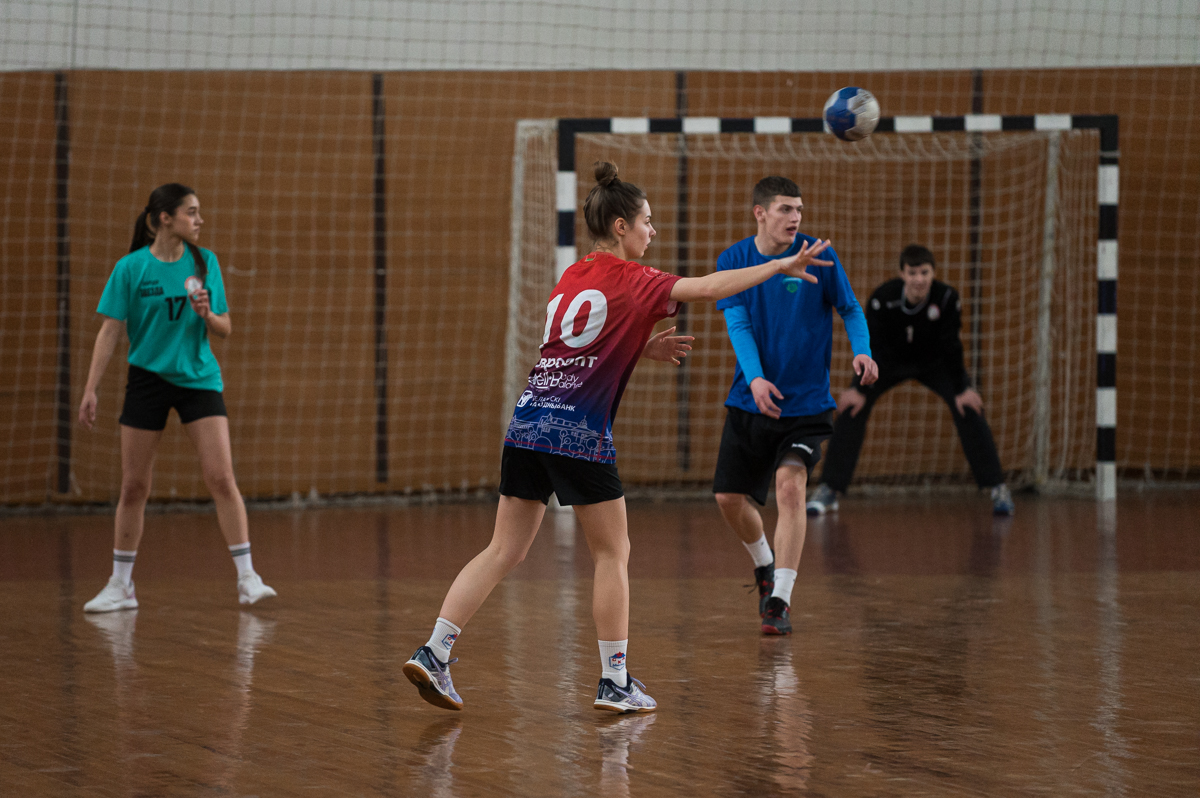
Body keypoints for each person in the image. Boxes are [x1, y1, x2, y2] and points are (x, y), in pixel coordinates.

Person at [403, 162, 834, 713]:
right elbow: (708, 287)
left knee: (503, 548)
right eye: (647, 221)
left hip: (528, 420)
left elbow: (575, 344)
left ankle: (435, 651)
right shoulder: (636, 278)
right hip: (578, 431)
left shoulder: (573, 275)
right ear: (621, 226)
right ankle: (614, 681)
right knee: (613, 552)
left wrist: (640, 347)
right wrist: (779, 265)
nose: (653, 231)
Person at [78, 183, 276, 613]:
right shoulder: (131, 268)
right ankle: (120, 585)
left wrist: (207, 314)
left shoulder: (205, 263)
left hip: (198, 378)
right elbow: (110, 331)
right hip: (147, 379)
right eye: (191, 212)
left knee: (221, 477)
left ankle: (247, 578)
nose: (199, 220)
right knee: (134, 485)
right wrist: (90, 388)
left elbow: (225, 328)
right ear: (165, 218)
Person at [713, 176, 878, 637]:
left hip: (806, 405)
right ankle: (764, 564)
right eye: (786, 208)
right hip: (751, 400)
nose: (796, 217)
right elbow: (739, 324)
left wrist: (862, 350)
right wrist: (756, 377)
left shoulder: (819, 254)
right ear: (760, 213)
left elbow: (850, 308)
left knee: (790, 488)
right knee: (728, 499)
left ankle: (779, 601)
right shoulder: (733, 261)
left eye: (799, 209)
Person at [806, 244, 1015, 516]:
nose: (919, 279)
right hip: (889, 363)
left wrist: (962, 388)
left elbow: (952, 346)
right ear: (902, 274)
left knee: (969, 407)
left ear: (933, 273)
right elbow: (873, 346)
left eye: (924, 273)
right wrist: (858, 388)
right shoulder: (883, 298)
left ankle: (997, 487)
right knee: (851, 408)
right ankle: (829, 489)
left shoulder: (946, 298)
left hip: (934, 363)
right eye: (912, 273)